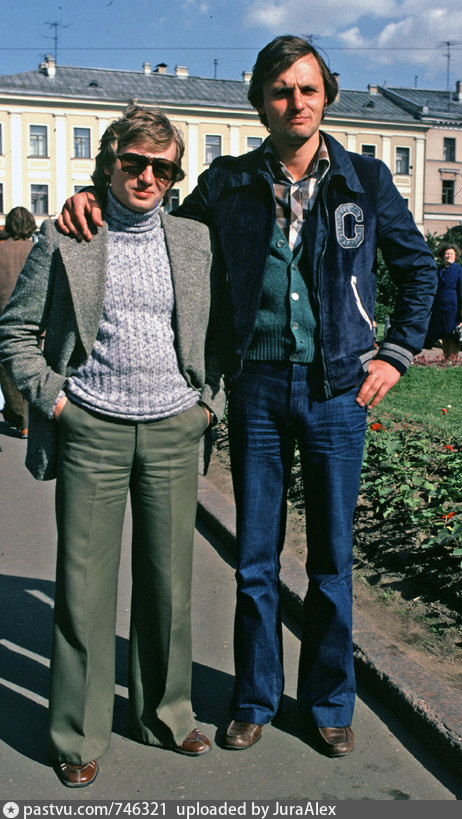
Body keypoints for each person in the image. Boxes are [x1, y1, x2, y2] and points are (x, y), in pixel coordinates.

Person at [56, 36, 437, 759]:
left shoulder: (364, 179)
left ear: (326, 95)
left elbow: (419, 270)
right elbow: (156, 220)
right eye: (281, 90)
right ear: (260, 101)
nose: (296, 102)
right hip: (255, 387)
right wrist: (91, 195)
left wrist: (395, 354)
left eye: (308, 89)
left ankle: (328, 701)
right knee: (256, 558)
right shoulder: (229, 182)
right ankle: (255, 698)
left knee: (331, 561)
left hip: (337, 392)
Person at [0, 106, 225, 787]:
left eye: (163, 168)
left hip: (172, 427)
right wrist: (56, 400)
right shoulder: (67, 235)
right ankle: (78, 733)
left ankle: (165, 714)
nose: (148, 177)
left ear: (175, 176)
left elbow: (216, 333)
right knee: (83, 591)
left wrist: (205, 403)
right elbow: (14, 333)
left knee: (169, 584)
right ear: (110, 164)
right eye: (135, 162)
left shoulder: (193, 239)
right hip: (91, 428)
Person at [0, 206, 36, 438]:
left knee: (7, 369)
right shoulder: (37, 249)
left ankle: (20, 418)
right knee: (32, 368)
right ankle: (30, 418)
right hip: (34, 320)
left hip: (4, 318)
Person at [426, 243, 462, 359]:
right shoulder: (439, 270)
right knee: (444, 334)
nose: (449, 256)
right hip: (440, 308)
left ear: (455, 256)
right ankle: (447, 358)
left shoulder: (459, 270)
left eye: (452, 254)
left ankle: (453, 359)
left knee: (453, 334)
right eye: (447, 253)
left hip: (453, 308)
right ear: (443, 255)